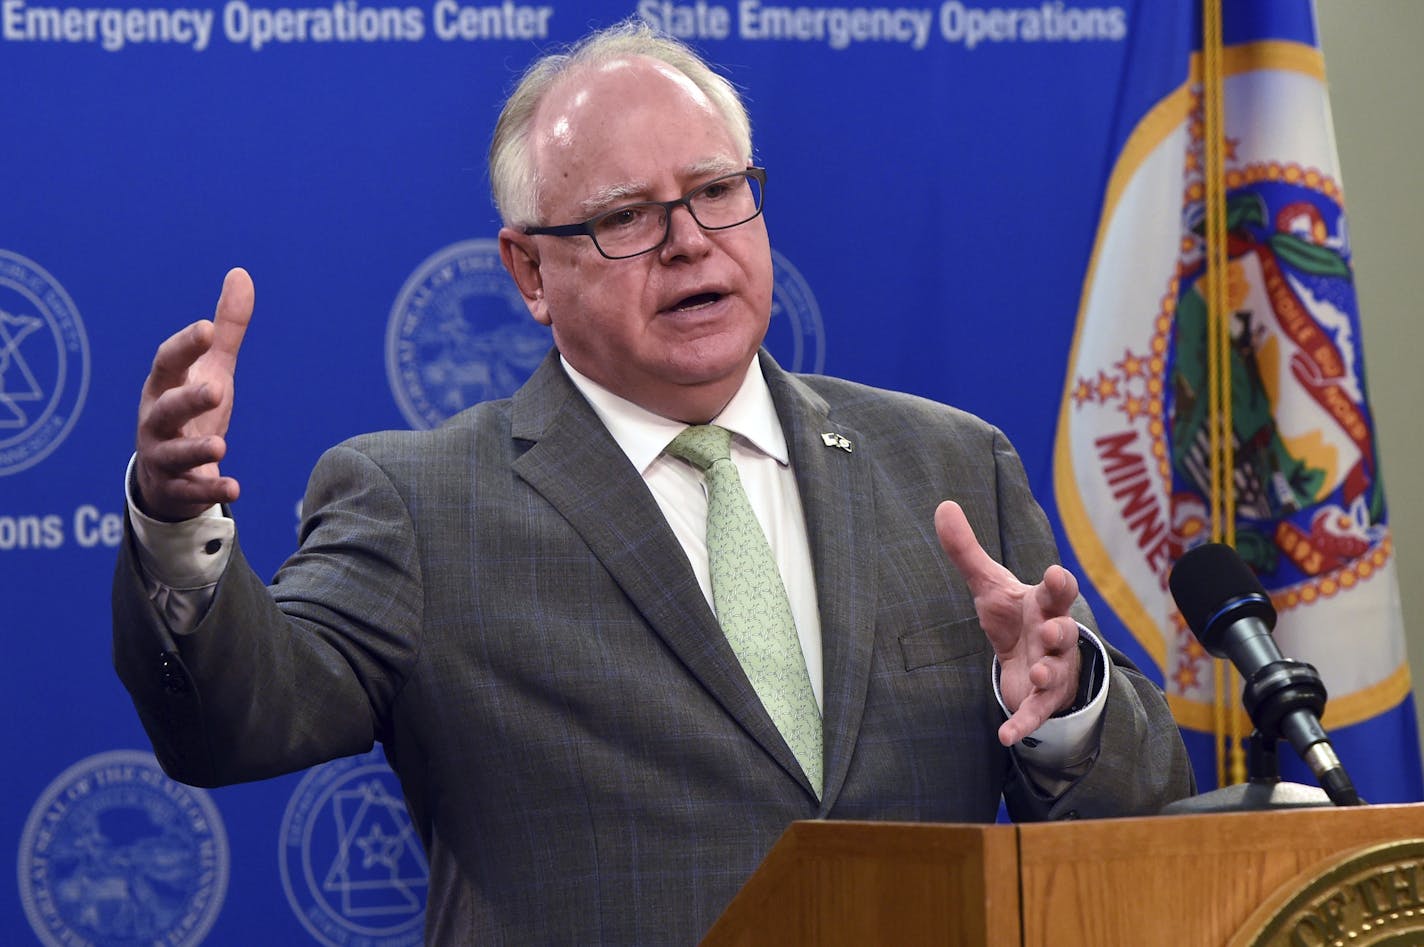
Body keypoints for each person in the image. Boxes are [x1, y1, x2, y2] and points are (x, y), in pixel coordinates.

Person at [113, 21, 1194, 944]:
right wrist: (173, 520)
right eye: (627, 215)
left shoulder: (949, 465)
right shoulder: (420, 504)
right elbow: (237, 723)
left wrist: (1063, 709)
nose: (688, 242)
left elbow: (1134, 818)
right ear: (530, 271)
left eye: (717, 191)